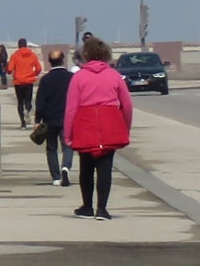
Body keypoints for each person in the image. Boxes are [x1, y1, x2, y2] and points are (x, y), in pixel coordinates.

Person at [64, 35, 133, 221]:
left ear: (85, 54)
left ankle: (87, 206)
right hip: (110, 121)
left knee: (86, 166)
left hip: (85, 122)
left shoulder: (79, 77)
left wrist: (68, 134)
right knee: (105, 168)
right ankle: (102, 209)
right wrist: (126, 127)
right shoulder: (114, 75)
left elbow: (71, 109)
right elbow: (127, 105)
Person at [32, 50, 74, 186]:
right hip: (67, 117)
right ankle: (66, 167)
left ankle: (56, 177)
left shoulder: (46, 80)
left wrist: (37, 120)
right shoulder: (71, 77)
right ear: (63, 60)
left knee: (51, 148)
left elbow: (40, 102)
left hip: (50, 119)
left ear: (50, 62)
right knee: (67, 145)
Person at [7, 38, 43, 127]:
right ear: (26, 45)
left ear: (18, 45)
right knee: (28, 100)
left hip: (18, 82)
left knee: (20, 102)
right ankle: (28, 108)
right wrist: (33, 74)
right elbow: (39, 68)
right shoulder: (32, 55)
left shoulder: (14, 56)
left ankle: (23, 123)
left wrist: (8, 71)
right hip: (28, 81)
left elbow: (10, 69)